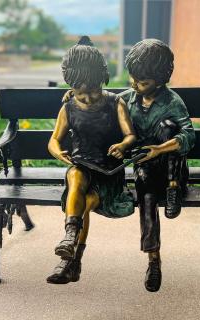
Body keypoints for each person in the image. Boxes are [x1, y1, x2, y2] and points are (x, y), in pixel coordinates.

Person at [47, 36, 136, 284]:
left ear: (103, 81)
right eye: (81, 93)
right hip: (82, 167)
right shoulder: (68, 108)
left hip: (108, 173)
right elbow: (54, 140)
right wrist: (58, 152)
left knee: (86, 201)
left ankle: (70, 261)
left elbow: (130, 135)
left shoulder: (115, 103)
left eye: (94, 92)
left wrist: (123, 144)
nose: (87, 98)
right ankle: (70, 236)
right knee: (75, 175)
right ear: (71, 87)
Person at [122, 39, 195, 292]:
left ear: (160, 80)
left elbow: (189, 135)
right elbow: (101, 102)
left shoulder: (172, 101)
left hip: (172, 168)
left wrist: (160, 149)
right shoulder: (127, 99)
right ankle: (154, 259)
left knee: (169, 128)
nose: (135, 85)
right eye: (133, 79)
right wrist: (72, 94)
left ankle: (173, 188)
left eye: (142, 82)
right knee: (147, 193)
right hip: (146, 169)